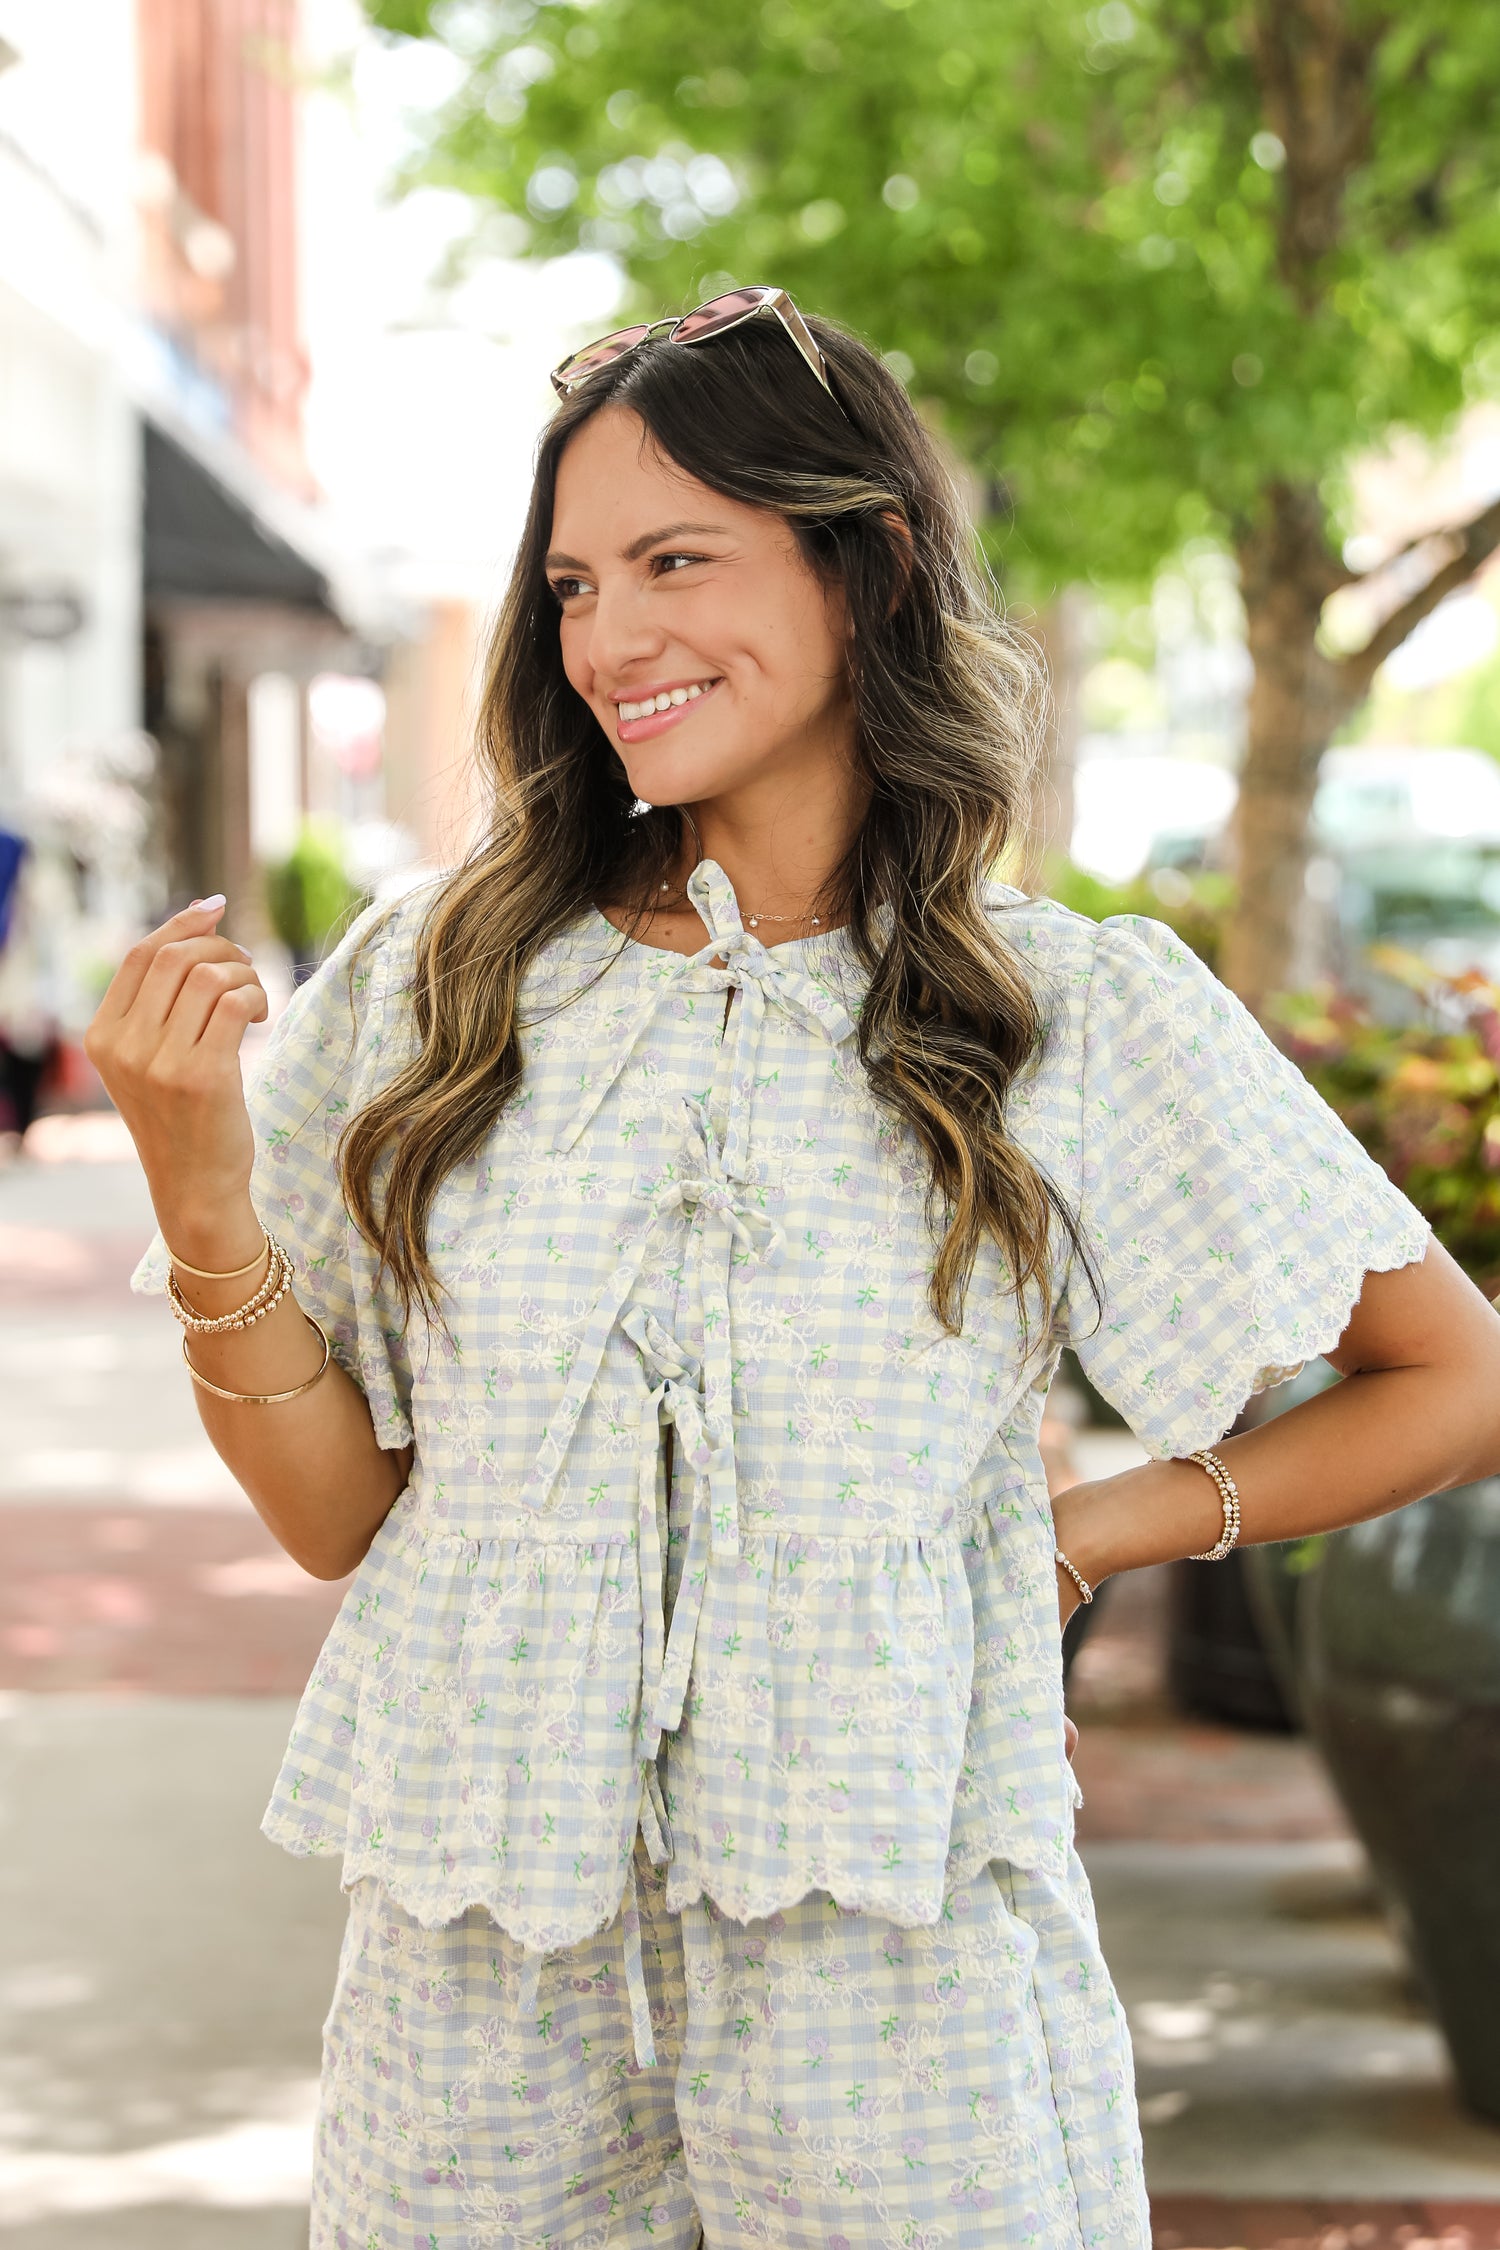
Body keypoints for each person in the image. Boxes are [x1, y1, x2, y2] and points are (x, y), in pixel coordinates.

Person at [86, 291, 1500, 2249]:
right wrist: (200, 1194)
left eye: (680, 560)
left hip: (898, 2008)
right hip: (482, 2020)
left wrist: (1098, 1529)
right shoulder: (435, 983)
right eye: (577, 583)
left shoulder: (1066, 1012)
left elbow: (1453, 1374)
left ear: (870, 563)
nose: (615, 637)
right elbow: (340, 1521)